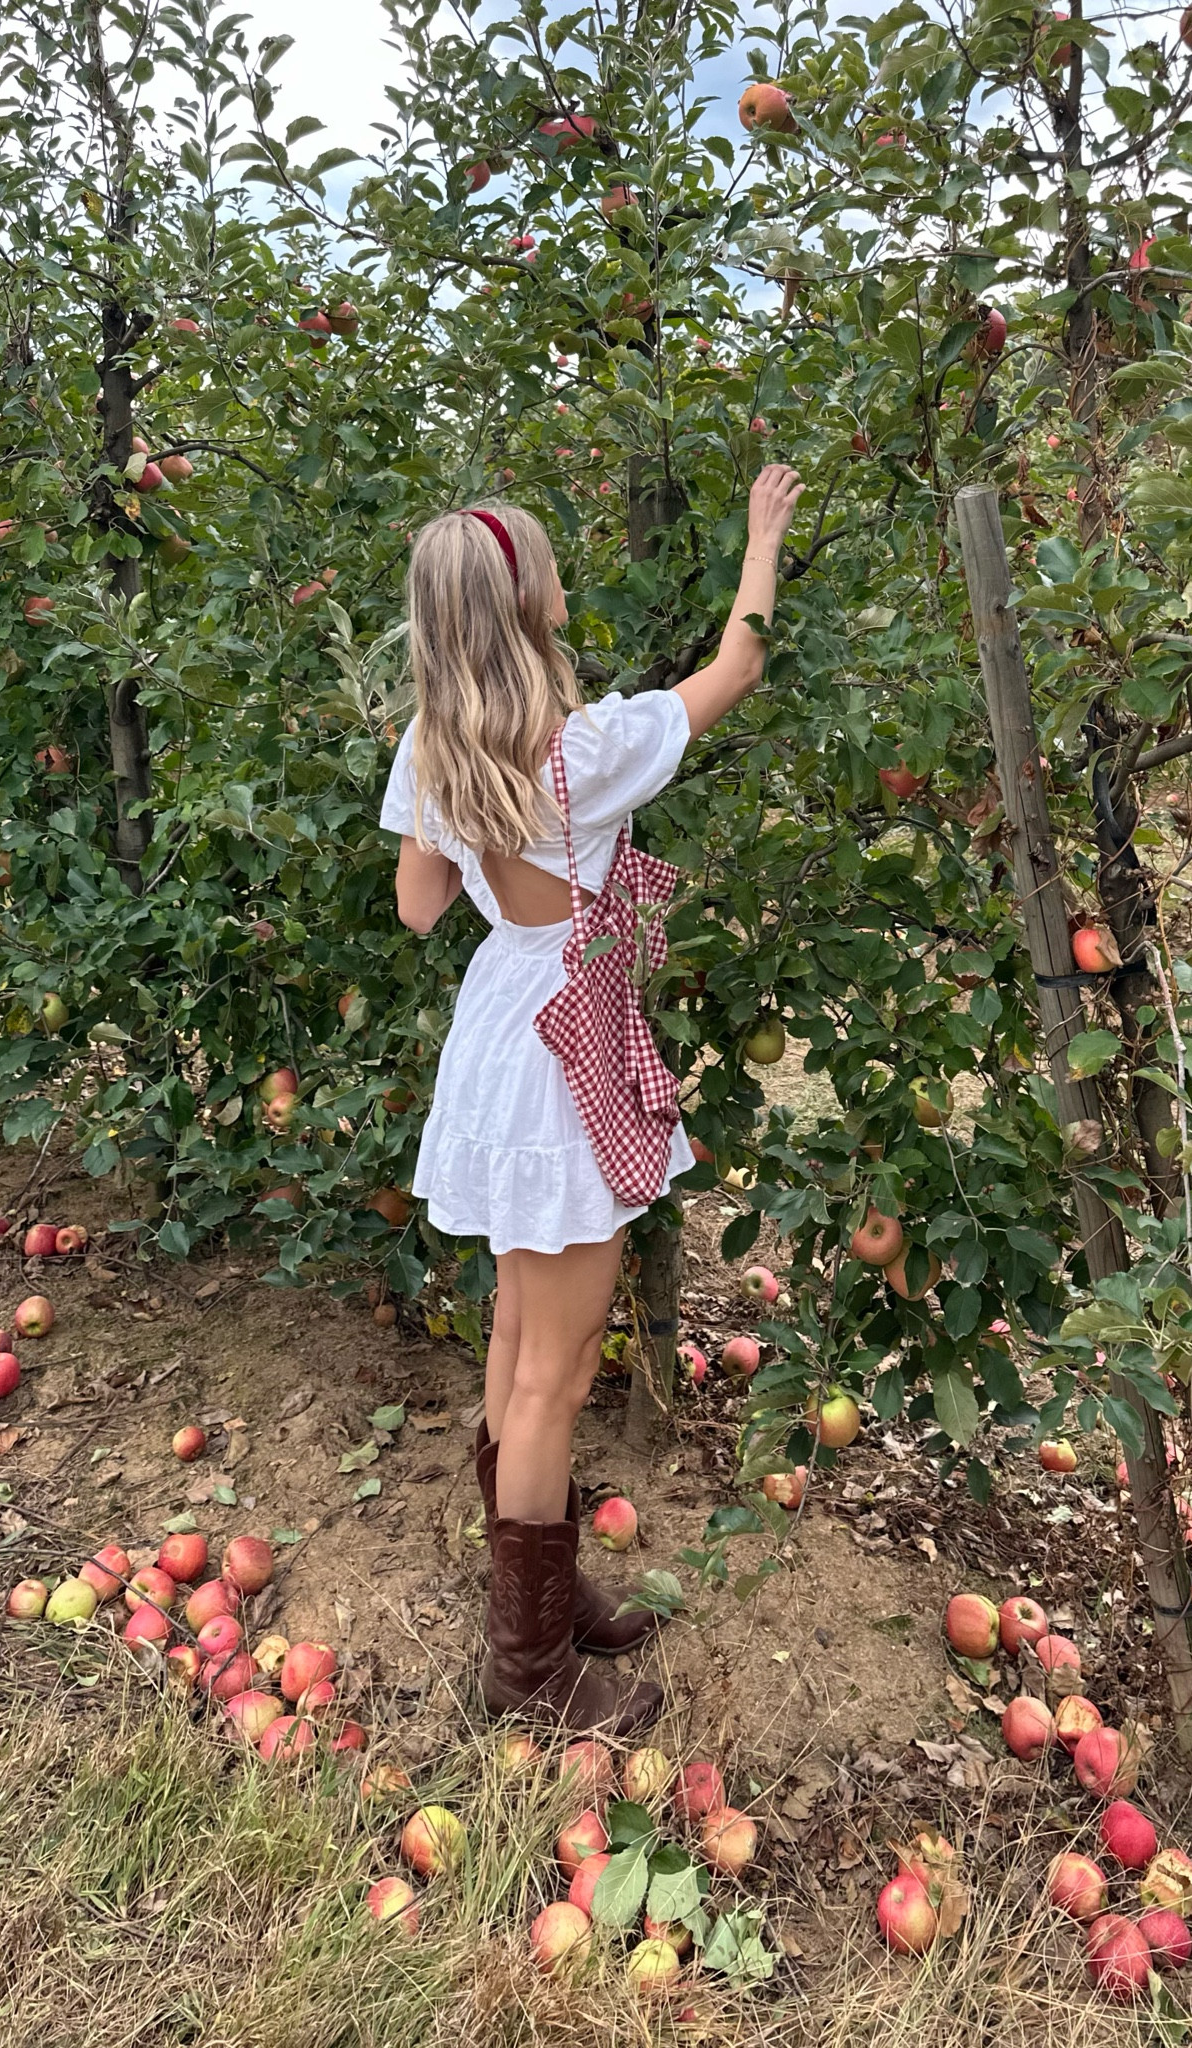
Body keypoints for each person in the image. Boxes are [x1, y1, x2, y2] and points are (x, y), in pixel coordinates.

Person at [380, 463, 804, 1734]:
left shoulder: (434, 747)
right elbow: (734, 668)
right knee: (555, 1374)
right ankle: (527, 1670)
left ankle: (543, 1598)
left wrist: (480, 843)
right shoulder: (588, 749)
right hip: (573, 1045)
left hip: (505, 1026)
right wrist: (762, 544)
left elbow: (417, 905)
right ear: (529, 604)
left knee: (520, 1335)